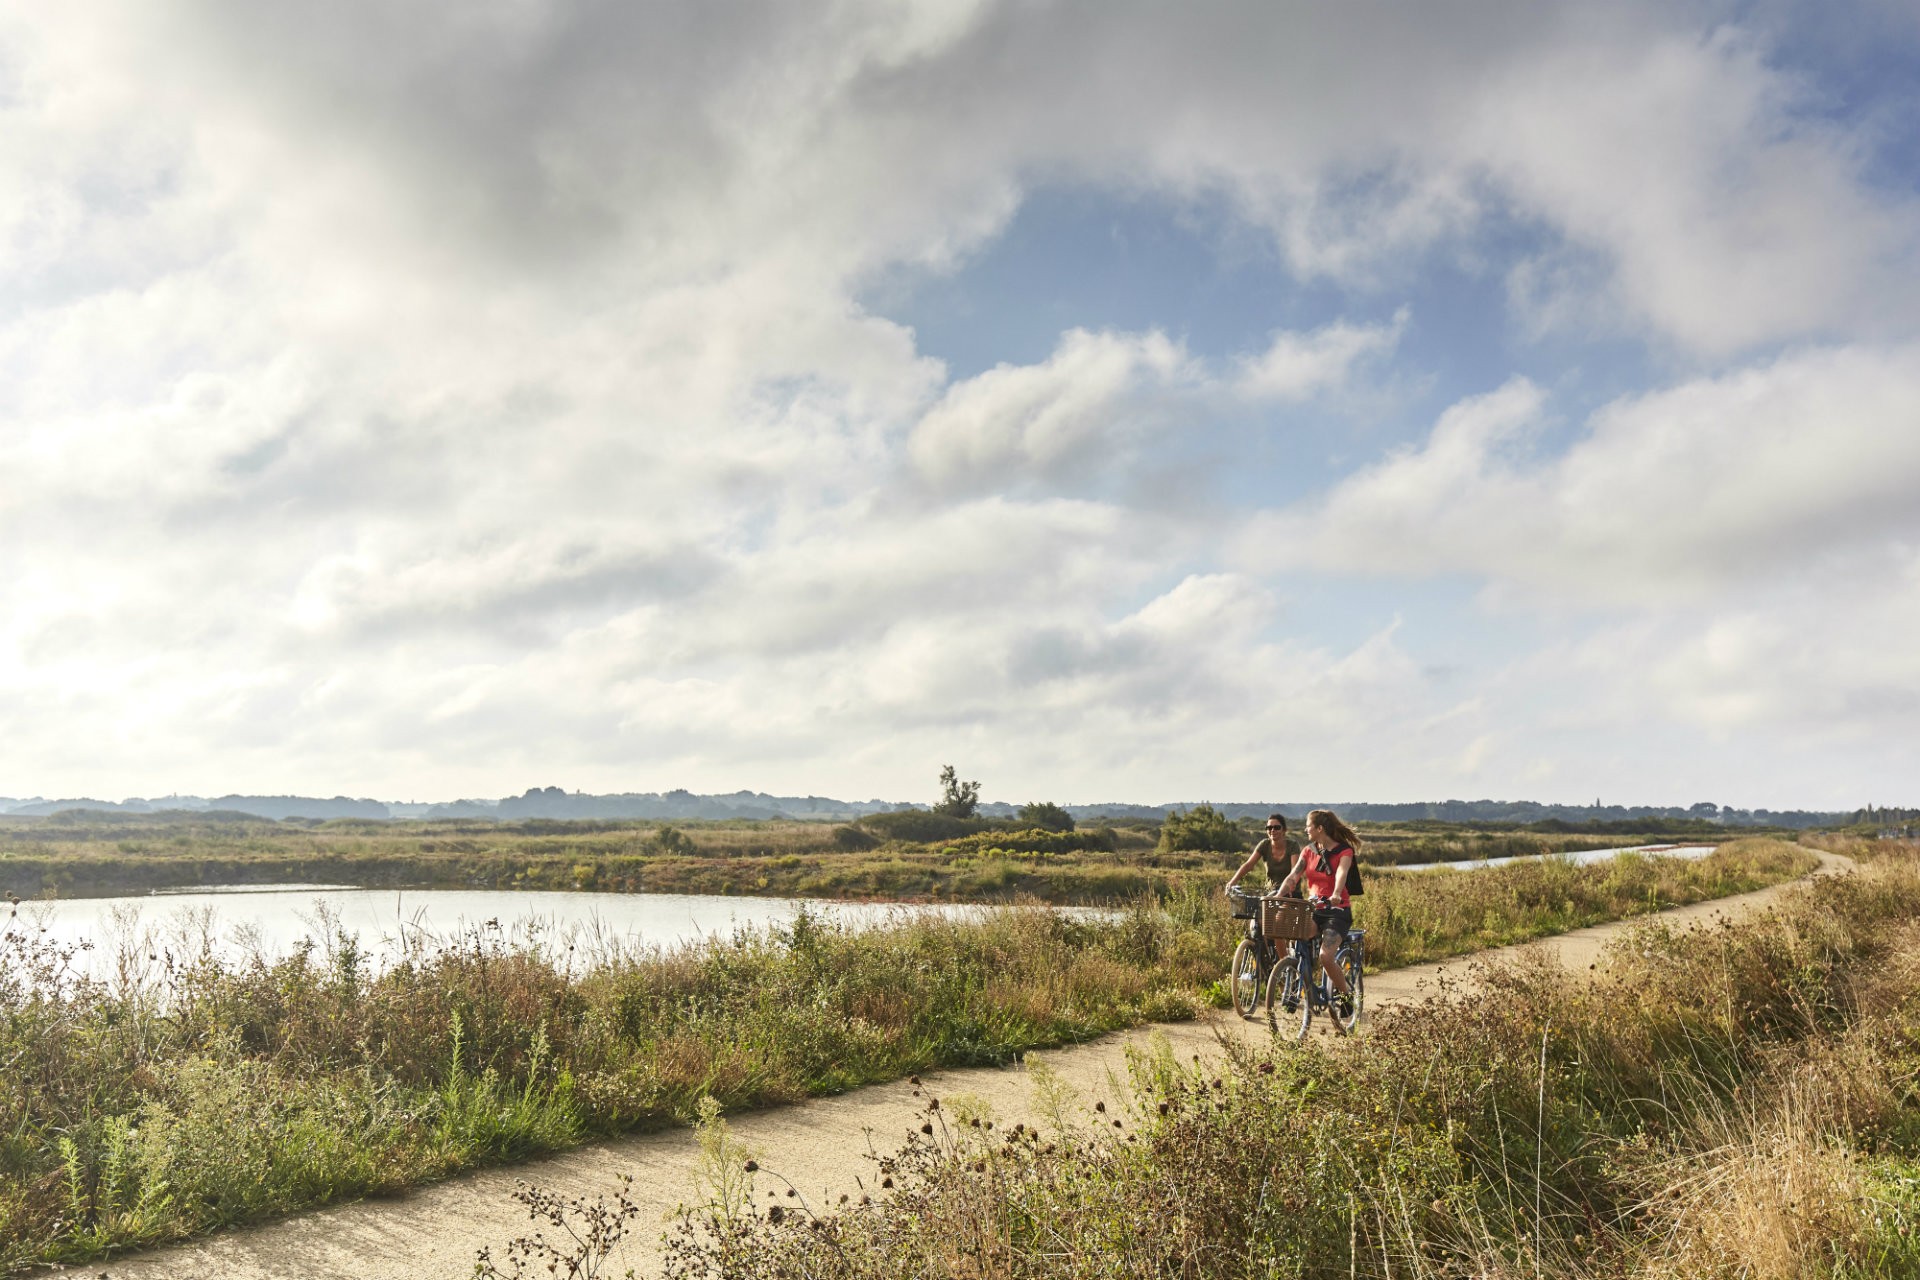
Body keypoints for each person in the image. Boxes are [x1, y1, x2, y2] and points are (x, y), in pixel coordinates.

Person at [1275, 808, 1360, 1014]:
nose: (1306, 829)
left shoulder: (1344, 851)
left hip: (1336, 911)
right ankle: (1299, 982)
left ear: (1320, 828)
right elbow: (1293, 876)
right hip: (1313, 909)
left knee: (1326, 956)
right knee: (1296, 939)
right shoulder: (1308, 851)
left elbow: (1341, 872)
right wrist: (1278, 895)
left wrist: (1337, 893)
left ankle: (1346, 995)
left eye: (1309, 825)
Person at [1224, 813, 1296, 895]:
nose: (1272, 830)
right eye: (1269, 828)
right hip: (1270, 893)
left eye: (1277, 827)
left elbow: (1295, 871)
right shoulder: (1264, 844)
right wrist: (1232, 882)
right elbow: (1248, 865)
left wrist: (1287, 888)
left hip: (1290, 893)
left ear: (1284, 830)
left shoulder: (1292, 846)